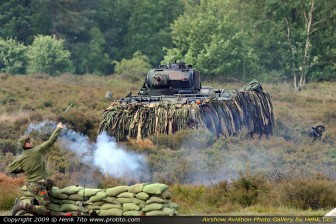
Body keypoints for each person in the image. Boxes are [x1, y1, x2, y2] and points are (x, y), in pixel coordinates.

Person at [7, 122, 63, 216]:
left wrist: (22, 169)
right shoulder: (37, 150)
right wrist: (58, 128)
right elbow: (50, 141)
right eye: (30, 141)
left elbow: (10, 169)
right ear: (27, 144)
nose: (32, 142)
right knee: (46, 211)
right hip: (36, 185)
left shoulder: (21, 157)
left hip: (31, 184)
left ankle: (36, 203)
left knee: (50, 182)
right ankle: (22, 206)